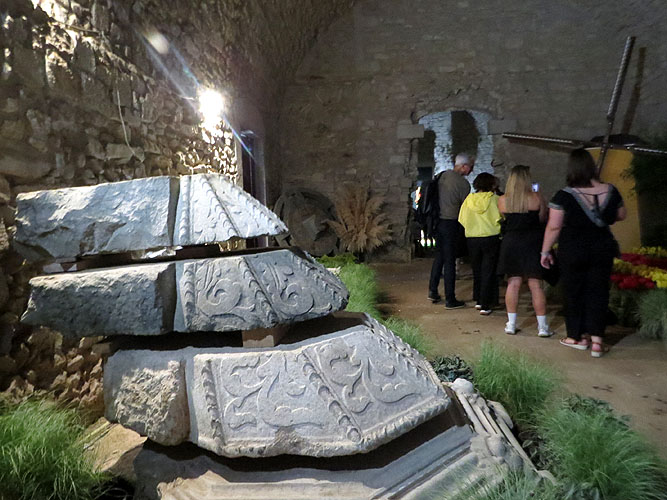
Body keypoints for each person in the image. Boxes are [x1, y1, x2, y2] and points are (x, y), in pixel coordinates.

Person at [541, 148, 626, 357]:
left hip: (573, 249)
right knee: (599, 292)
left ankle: (577, 337)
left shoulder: (564, 196)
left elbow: (554, 226)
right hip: (602, 248)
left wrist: (545, 251)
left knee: (573, 292)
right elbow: (621, 214)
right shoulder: (611, 190)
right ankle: (597, 341)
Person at [497, 165, 552, 336]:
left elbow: (504, 219)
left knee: (513, 283)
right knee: (536, 285)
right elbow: (542, 218)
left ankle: (511, 324)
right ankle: (542, 327)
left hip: (511, 242)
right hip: (532, 242)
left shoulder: (503, 200)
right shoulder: (536, 197)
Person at [428, 153, 474, 308]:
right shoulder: (463, 184)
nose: (471, 170)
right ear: (464, 166)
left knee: (439, 257)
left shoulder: (442, 176)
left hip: (437, 222)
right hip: (451, 223)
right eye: (470, 167)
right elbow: (465, 207)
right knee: (449, 261)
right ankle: (450, 298)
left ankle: (433, 290)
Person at [458, 173, 502, 315]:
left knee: (477, 270)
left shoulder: (469, 200)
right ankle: (485, 304)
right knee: (489, 271)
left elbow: (462, 218)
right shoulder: (495, 199)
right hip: (491, 237)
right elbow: (502, 217)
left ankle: (478, 299)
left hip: (472, 238)